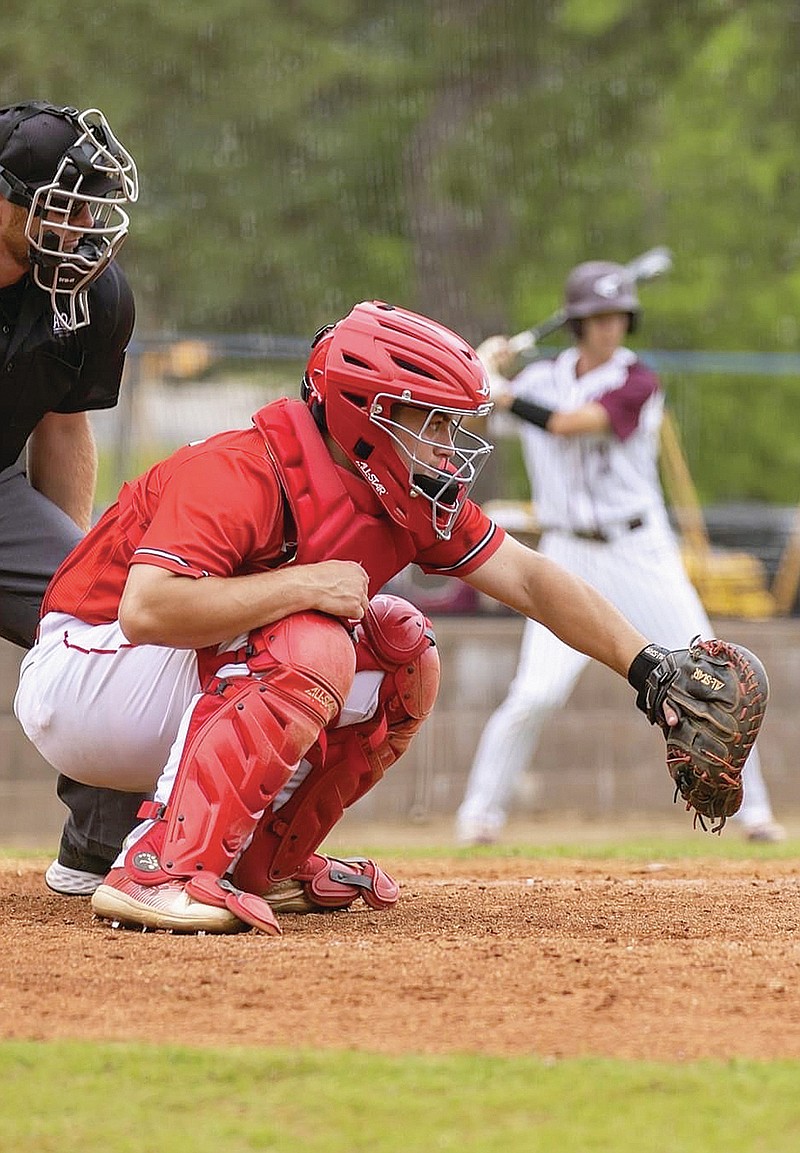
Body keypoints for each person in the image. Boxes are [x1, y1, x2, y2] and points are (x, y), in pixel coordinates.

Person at [14, 299, 694, 936]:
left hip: (166, 676)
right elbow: (147, 608)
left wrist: (648, 667)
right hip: (84, 670)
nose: (445, 445)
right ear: (366, 413)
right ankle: (156, 867)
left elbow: (532, 579)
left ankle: (262, 863)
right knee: (310, 641)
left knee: (403, 649)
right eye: (429, 421)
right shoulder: (243, 467)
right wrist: (299, 583)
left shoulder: (400, 490)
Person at [455, 260, 785, 846]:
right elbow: (467, 405)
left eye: (617, 318)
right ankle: (479, 816)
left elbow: (566, 424)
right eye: (597, 319)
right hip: (565, 552)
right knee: (536, 692)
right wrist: (480, 365)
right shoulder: (540, 378)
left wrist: (502, 390)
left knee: (715, 675)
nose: (610, 329)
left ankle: (755, 813)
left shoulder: (639, 382)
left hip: (639, 549)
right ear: (578, 324)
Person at [0, 100, 146, 893]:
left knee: (116, 616)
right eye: (63, 204)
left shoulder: (94, 294)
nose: (84, 224)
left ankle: (99, 851)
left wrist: (78, 575)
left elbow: (61, 427)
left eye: (93, 204)